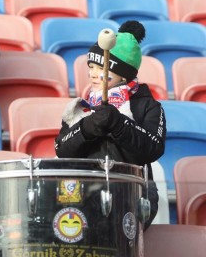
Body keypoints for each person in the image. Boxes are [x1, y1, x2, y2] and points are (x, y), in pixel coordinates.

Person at [54, 20, 165, 227]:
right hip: (82, 191)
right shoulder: (82, 107)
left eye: (100, 68)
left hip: (132, 193)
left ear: (123, 73)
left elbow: (153, 148)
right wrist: (86, 128)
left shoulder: (148, 106)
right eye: (91, 67)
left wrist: (119, 124)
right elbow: (61, 148)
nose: (92, 74)